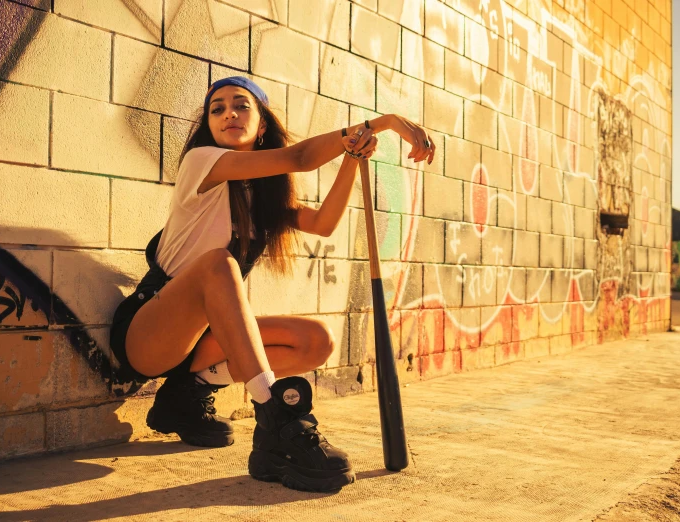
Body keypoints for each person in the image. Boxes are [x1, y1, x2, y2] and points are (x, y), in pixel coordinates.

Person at [109, 76, 436, 492]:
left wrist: (352, 158)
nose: (229, 112)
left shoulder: (261, 197)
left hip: (200, 341)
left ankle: (186, 394)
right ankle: (275, 418)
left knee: (316, 341)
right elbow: (300, 157)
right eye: (217, 108)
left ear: (261, 125)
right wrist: (384, 123)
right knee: (218, 266)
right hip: (149, 333)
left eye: (241, 105)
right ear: (209, 126)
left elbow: (323, 223)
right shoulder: (201, 163)